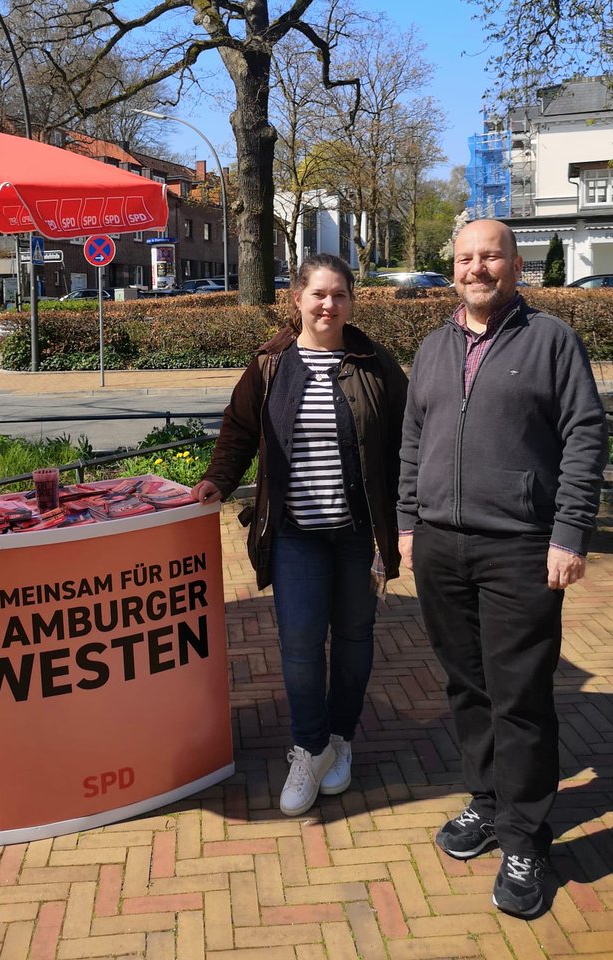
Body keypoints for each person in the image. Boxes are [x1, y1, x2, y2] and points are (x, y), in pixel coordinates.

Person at [397, 219, 607, 919]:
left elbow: (583, 435)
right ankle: (487, 803)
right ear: (450, 267)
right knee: (467, 688)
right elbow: (413, 437)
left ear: (516, 264)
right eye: (465, 257)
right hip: (439, 546)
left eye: (490, 255)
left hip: (520, 546)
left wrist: (569, 531)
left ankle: (525, 838)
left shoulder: (551, 341)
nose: (476, 267)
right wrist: (405, 522)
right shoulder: (431, 347)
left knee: (520, 697)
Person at [192, 254, 407, 816]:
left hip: (359, 530)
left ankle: (341, 739)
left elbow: (405, 443)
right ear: (297, 298)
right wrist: (218, 479)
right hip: (295, 534)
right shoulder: (270, 363)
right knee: (301, 645)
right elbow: (239, 430)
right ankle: (308, 748)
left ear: (352, 301)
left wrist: (406, 519)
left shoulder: (375, 364)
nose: (328, 305)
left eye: (339, 294)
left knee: (356, 639)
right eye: (318, 294)